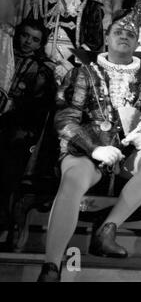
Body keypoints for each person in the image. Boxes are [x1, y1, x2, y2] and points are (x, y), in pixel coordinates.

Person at [36, 11, 141, 282]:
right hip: (85, 152)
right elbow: (66, 119)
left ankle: (107, 230)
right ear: (106, 37)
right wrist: (95, 149)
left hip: (129, 154)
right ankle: (52, 266)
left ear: (137, 41)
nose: (125, 35)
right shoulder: (82, 73)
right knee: (73, 179)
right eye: (119, 31)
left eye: (131, 33)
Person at [0, 19, 56, 234]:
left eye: (35, 39)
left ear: (41, 44)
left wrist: (13, 106)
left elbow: (39, 107)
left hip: (16, 133)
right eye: (25, 36)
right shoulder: (3, 56)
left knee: (7, 181)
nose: (27, 42)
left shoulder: (42, 70)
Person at [28, 0, 104, 85]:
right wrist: (44, 62)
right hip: (41, 68)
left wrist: (68, 65)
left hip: (76, 71)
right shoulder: (42, 1)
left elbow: (95, 41)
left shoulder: (90, 4)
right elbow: (29, 34)